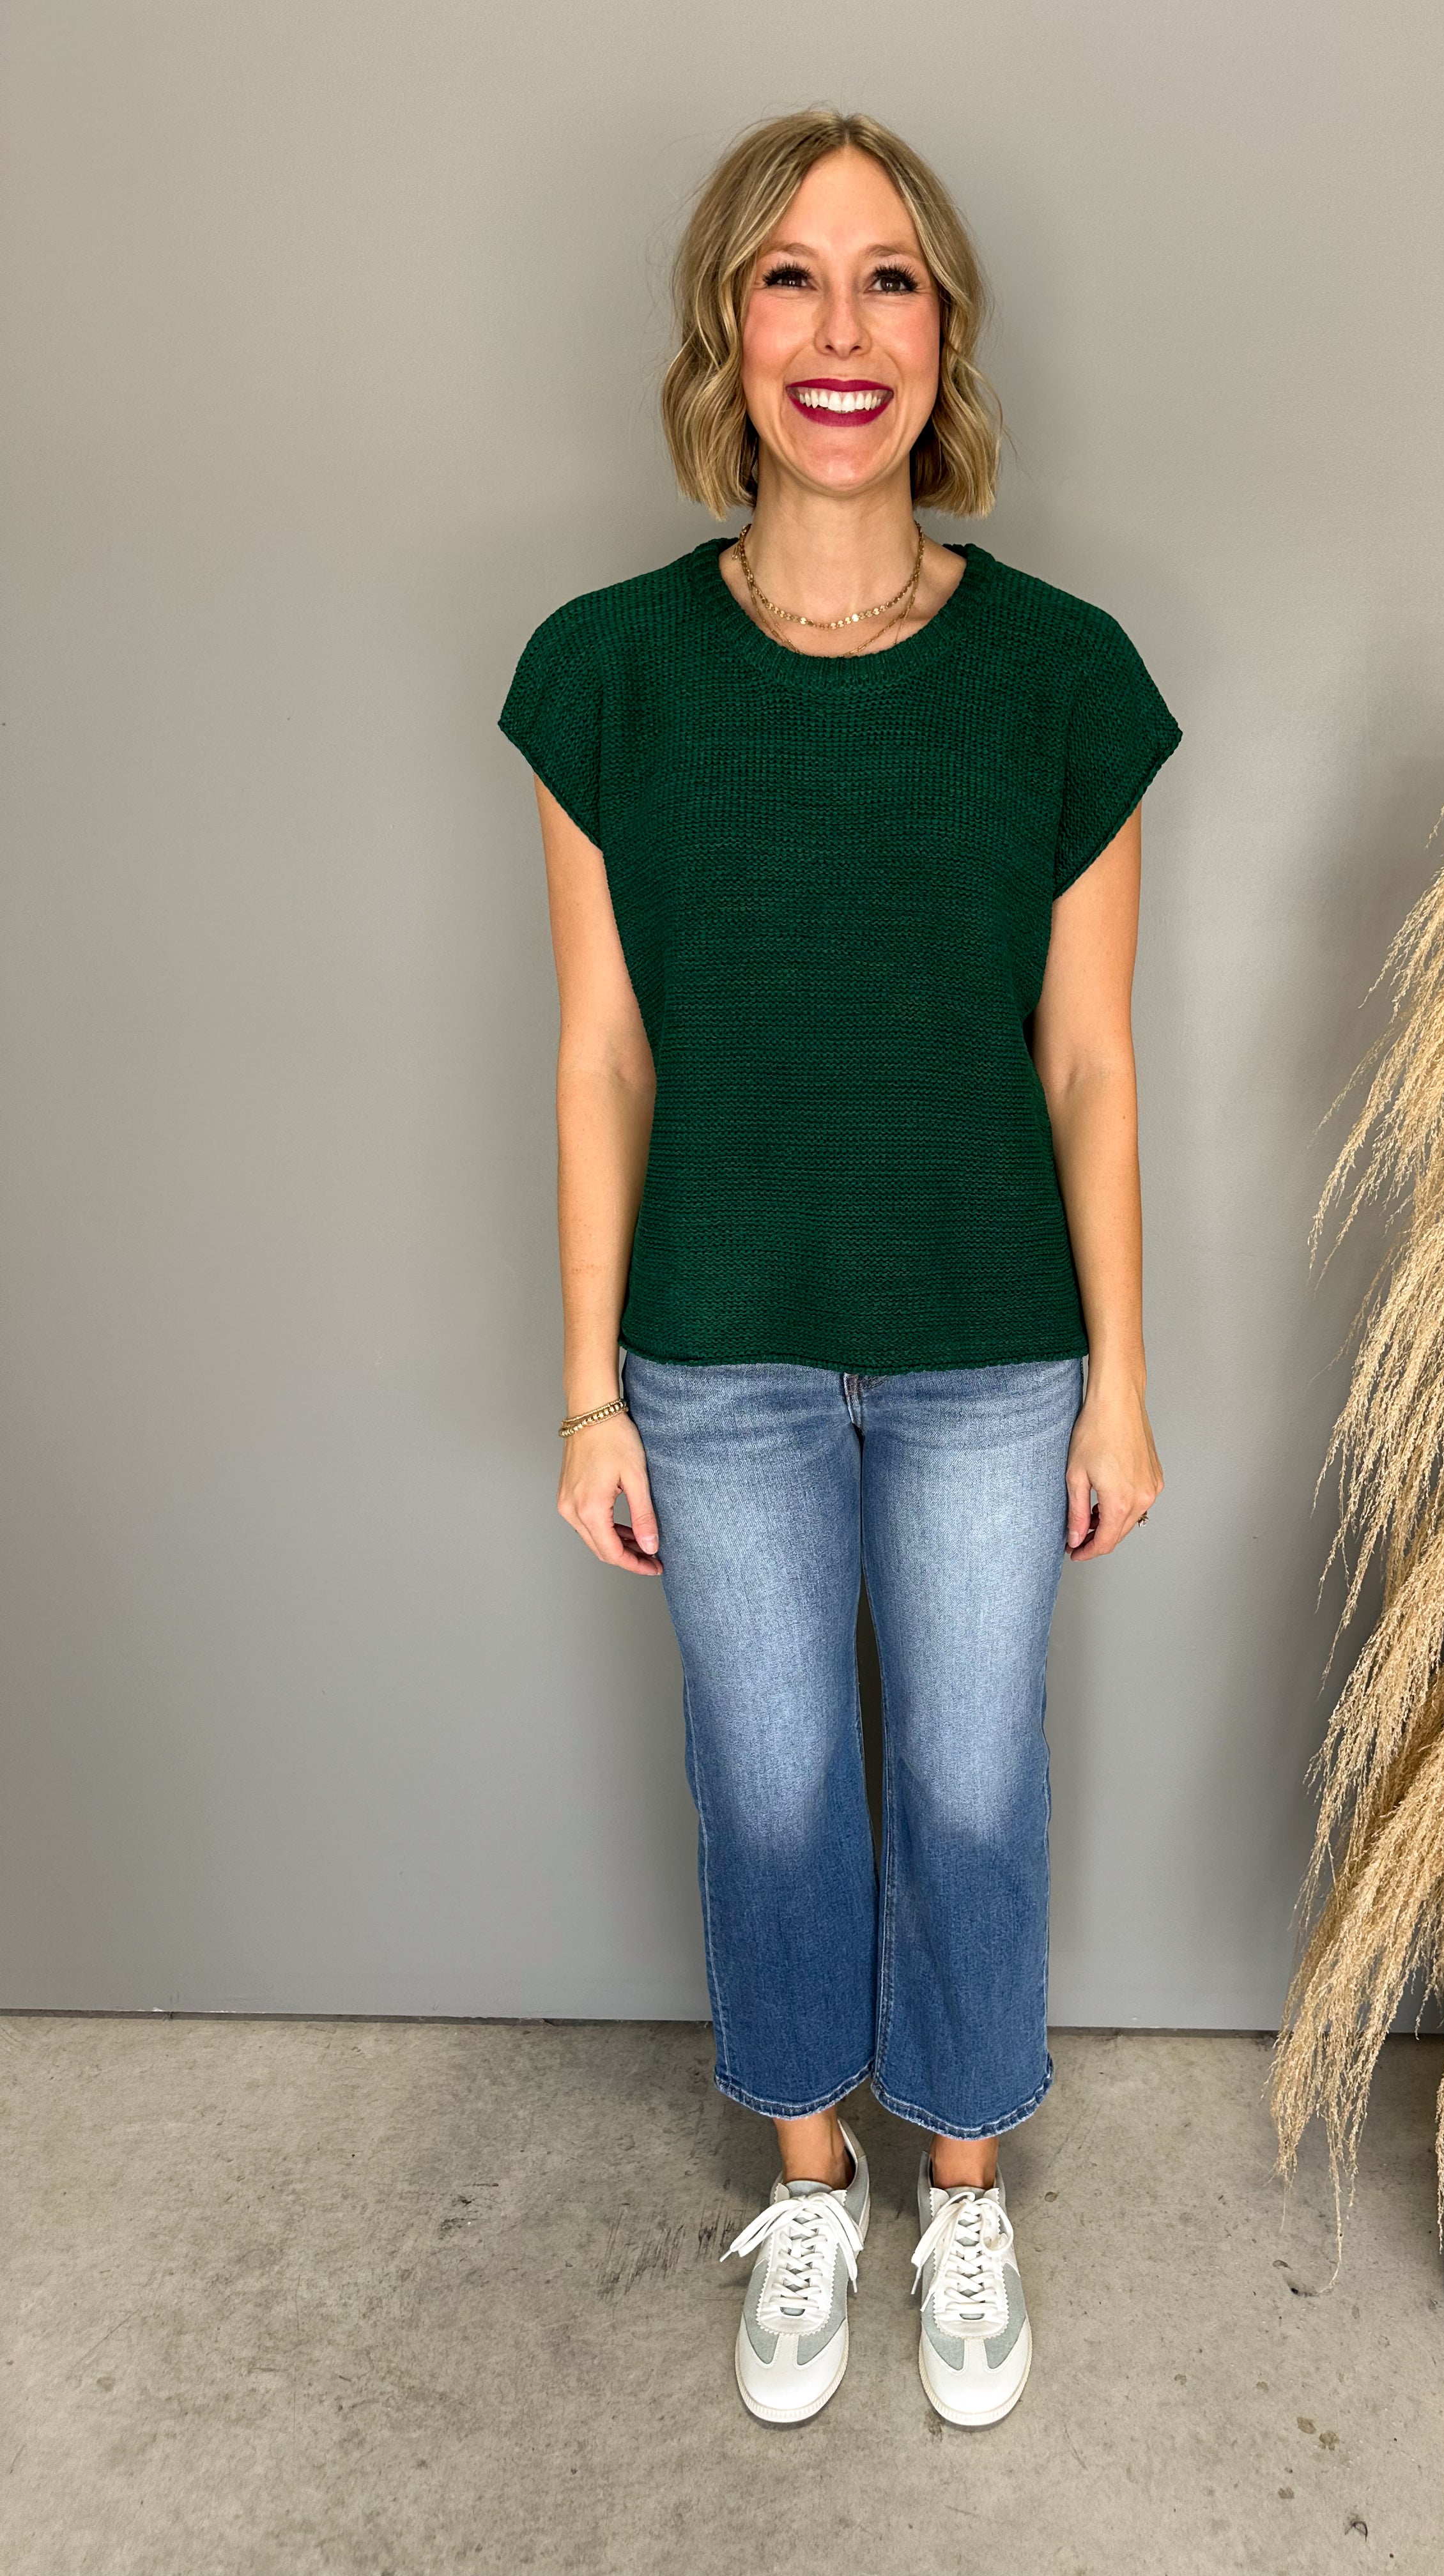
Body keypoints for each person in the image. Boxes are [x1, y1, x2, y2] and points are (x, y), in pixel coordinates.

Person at [498, 106, 1181, 2431]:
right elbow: (601, 1053)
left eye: (889, 278)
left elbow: (1090, 1060)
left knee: (975, 1782)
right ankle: (814, 2186)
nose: (840, 328)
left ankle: (965, 2197)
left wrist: (1121, 1378)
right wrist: (587, 1387)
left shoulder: (1063, 676)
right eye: (789, 277)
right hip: (719, 1353)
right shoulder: (606, 674)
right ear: (730, 327)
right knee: (773, 1787)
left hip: (994, 1347)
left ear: (942, 334)